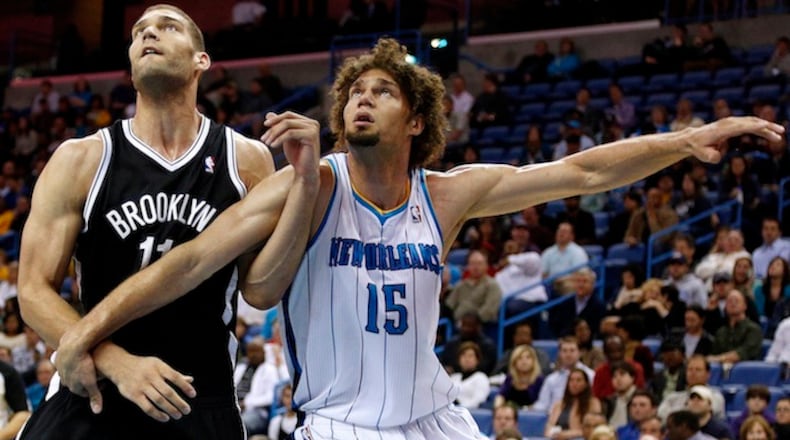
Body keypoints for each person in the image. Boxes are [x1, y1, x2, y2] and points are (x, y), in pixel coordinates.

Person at [51, 37, 784, 439]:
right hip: (341, 425)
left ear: (417, 119)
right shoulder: (315, 180)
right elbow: (193, 262)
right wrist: (85, 333)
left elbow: (583, 171)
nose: (362, 100)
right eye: (354, 93)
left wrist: (686, 140)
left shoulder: (449, 193)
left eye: (382, 92)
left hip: (438, 420)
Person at [17, 4, 318, 439]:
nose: (148, 34)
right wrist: (115, 362)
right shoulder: (81, 158)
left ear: (202, 60)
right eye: (139, 31)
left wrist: (305, 186)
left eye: (168, 26)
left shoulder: (245, 159)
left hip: (198, 395)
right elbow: (32, 290)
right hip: (95, 386)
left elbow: (260, 290)